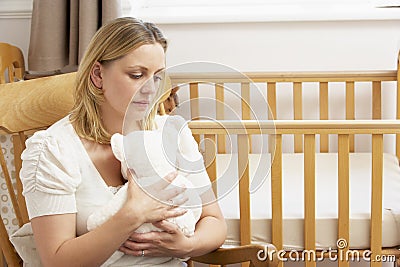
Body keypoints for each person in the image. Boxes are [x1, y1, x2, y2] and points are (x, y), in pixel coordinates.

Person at [19, 17, 227, 267]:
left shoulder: (171, 133)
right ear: (98, 74)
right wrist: (133, 213)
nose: (151, 89)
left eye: (158, 77)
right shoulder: (53, 150)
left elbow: (214, 221)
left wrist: (187, 246)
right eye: (137, 75)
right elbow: (57, 260)